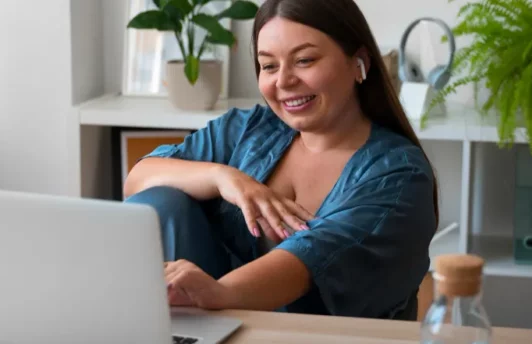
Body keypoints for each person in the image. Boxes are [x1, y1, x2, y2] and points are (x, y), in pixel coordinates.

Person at [123, 0, 439, 321]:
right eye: (269, 66)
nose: (284, 81)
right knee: (159, 200)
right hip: (214, 323)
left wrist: (219, 294)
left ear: (359, 63)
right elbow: (137, 179)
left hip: (321, 338)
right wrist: (224, 177)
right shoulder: (249, 129)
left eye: (304, 60)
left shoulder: (399, 174)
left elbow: (313, 257)